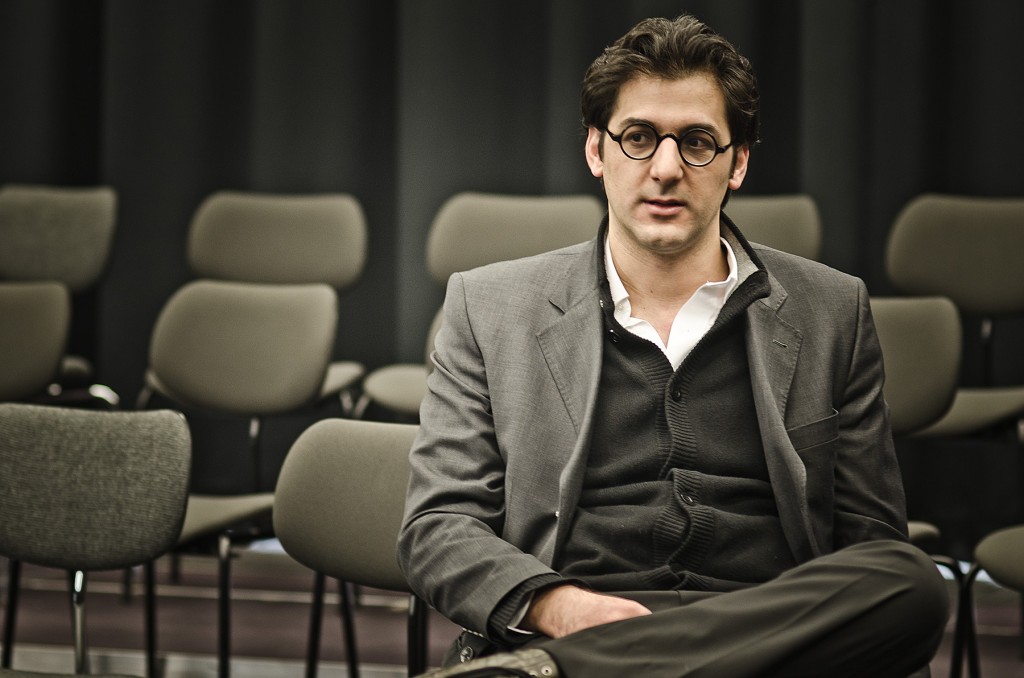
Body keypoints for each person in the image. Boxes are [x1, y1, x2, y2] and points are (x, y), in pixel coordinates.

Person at [398, 13, 949, 678]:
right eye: (638, 138)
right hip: (575, 627)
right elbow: (439, 527)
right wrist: (563, 609)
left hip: (762, 640)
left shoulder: (833, 309)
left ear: (737, 162)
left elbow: (871, 541)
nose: (666, 169)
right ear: (596, 151)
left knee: (910, 580)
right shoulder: (487, 307)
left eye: (697, 142)